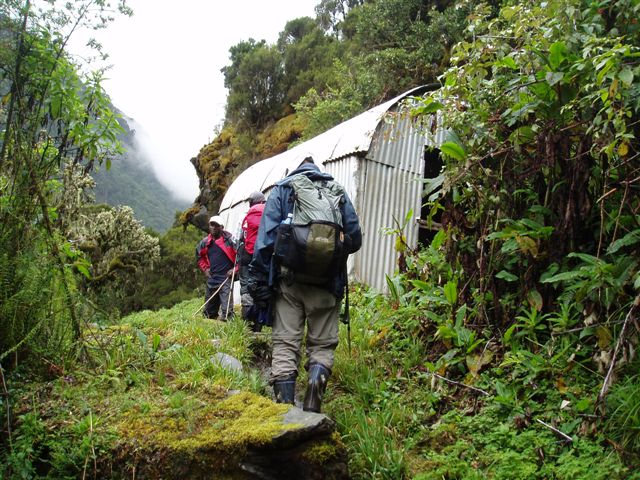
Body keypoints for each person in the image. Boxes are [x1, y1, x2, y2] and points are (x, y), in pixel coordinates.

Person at [248, 157, 362, 412]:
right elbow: (355, 239)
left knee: (286, 344)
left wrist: (259, 281)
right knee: (322, 345)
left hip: (289, 283)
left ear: (296, 170)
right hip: (327, 283)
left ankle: (285, 412)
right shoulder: (336, 190)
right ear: (318, 171)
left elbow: (265, 241)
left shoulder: (283, 189)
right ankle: (312, 405)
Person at [196, 215, 237, 320]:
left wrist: (235, 269)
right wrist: (205, 269)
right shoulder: (205, 242)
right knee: (208, 313)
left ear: (222, 227)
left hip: (226, 278)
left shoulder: (230, 241)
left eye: (216, 225)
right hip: (212, 278)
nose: (213, 228)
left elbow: (241, 257)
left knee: (227, 313)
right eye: (212, 225)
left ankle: (229, 326)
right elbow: (199, 257)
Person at [238, 191, 266, 330]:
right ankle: (258, 324)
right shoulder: (268, 213)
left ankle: (246, 323)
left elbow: (240, 238)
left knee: (246, 286)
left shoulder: (246, 216)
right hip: (262, 257)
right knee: (260, 286)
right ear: (262, 201)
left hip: (246, 256)